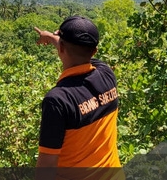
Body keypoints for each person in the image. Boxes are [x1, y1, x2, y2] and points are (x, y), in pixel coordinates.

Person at [33, 16, 123, 180]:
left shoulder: (58, 100)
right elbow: (82, 56)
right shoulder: (106, 74)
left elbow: (47, 166)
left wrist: (53, 38)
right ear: (94, 51)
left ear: (61, 48)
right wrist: (54, 38)